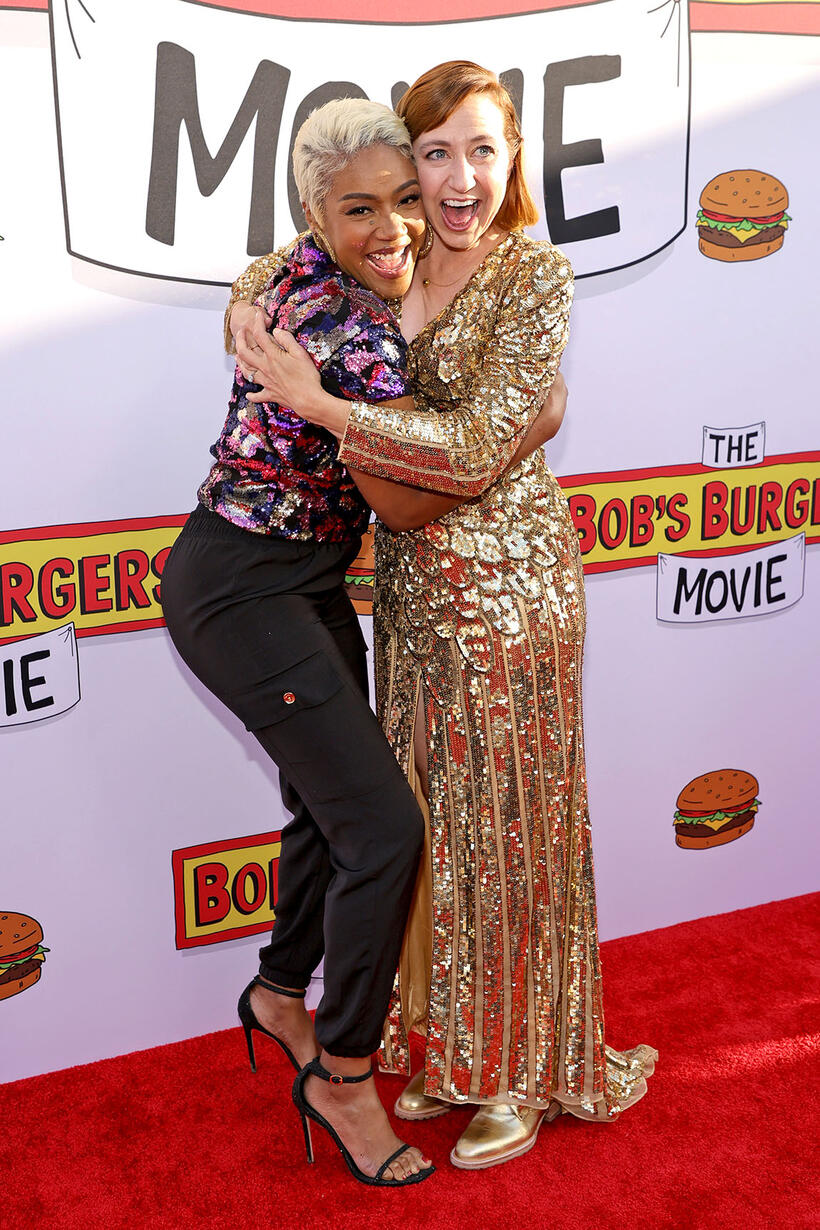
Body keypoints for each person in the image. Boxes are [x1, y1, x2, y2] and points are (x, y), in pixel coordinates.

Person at [230, 62, 657, 1171]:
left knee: (513, 830)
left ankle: (522, 1068)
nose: (458, 177)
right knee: (430, 835)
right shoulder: (388, 258)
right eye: (435, 154)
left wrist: (319, 404)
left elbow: (469, 449)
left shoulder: (534, 277)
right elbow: (273, 263)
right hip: (411, 594)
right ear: (407, 166)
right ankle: (450, 1053)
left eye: (482, 150)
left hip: (513, 593)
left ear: (514, 161)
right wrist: (247, 300)